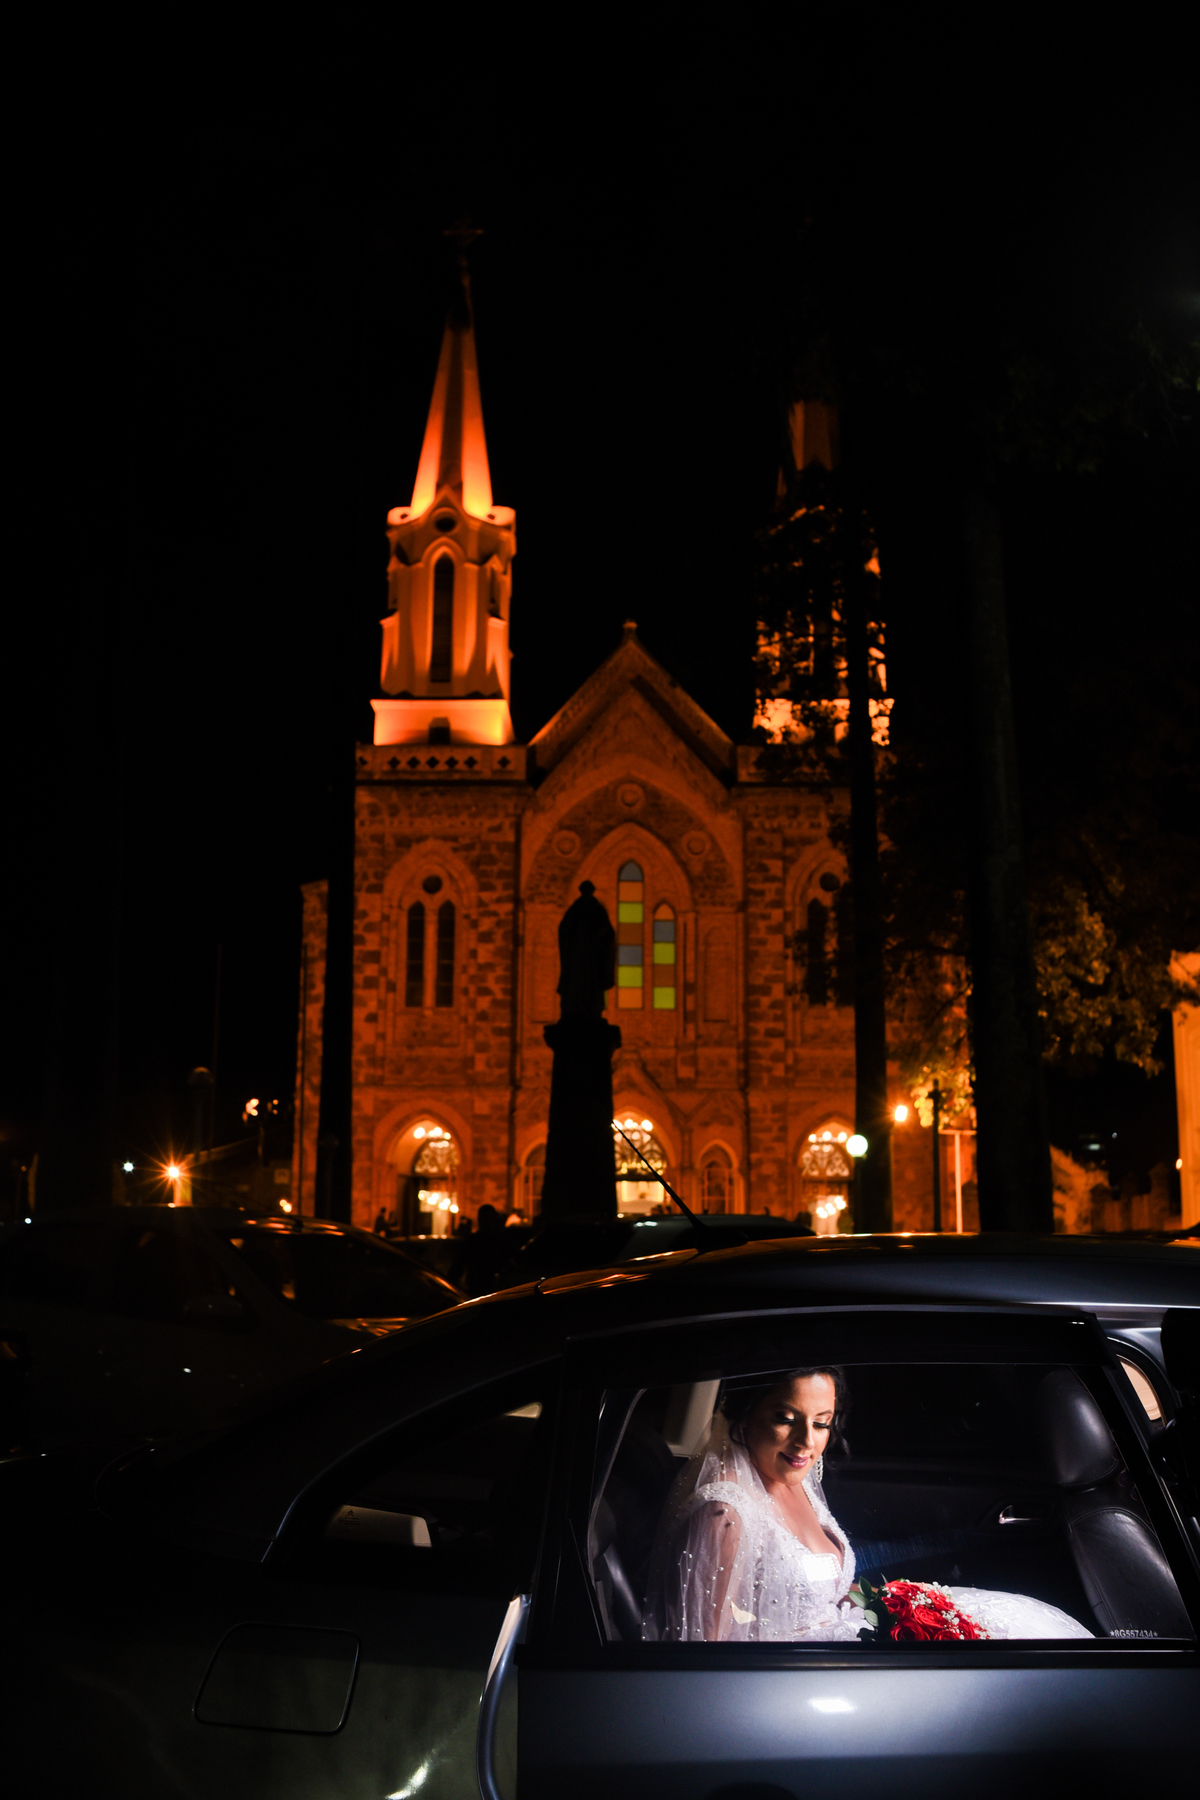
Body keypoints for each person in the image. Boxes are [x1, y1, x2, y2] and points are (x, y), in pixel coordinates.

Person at [641, 1368, 1092, 1643]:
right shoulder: (723, 1515)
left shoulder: (796, 1476)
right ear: (744, 1413)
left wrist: (895, 1613)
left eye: (821, 1424)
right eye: (785, 1418)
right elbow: (700, 1648)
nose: (806, 1443)